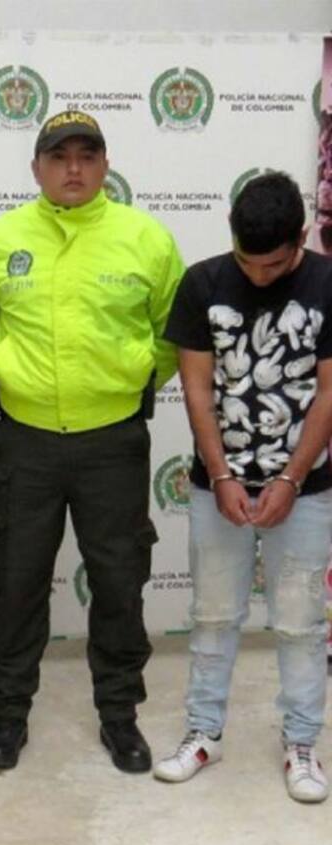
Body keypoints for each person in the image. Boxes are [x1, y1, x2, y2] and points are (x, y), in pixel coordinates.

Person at [0, 110, 184, 773]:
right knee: (17, 580)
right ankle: (9, 714)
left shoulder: (145, 238)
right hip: (25, 443)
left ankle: (120, 716)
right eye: (59, 157)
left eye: (87, 157)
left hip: (112, 444)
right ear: (36, 168)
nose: (73, 169)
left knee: (119, 582)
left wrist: (128, 381)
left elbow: (173, 335)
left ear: (105, 165)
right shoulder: (5, 238)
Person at [153, 172, 332, 803]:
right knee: (213, 616)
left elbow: (329, 392)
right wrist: (222, 474)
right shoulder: (202, 282)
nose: (258, 276)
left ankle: (302, 742)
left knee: (300, 622)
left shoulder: (327, 283)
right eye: (246, 262)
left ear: (301, 239)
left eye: (274, 265)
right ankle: (203, 732)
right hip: (217, 486)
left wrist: (291, 478)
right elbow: (197, 389)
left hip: (307, 489)